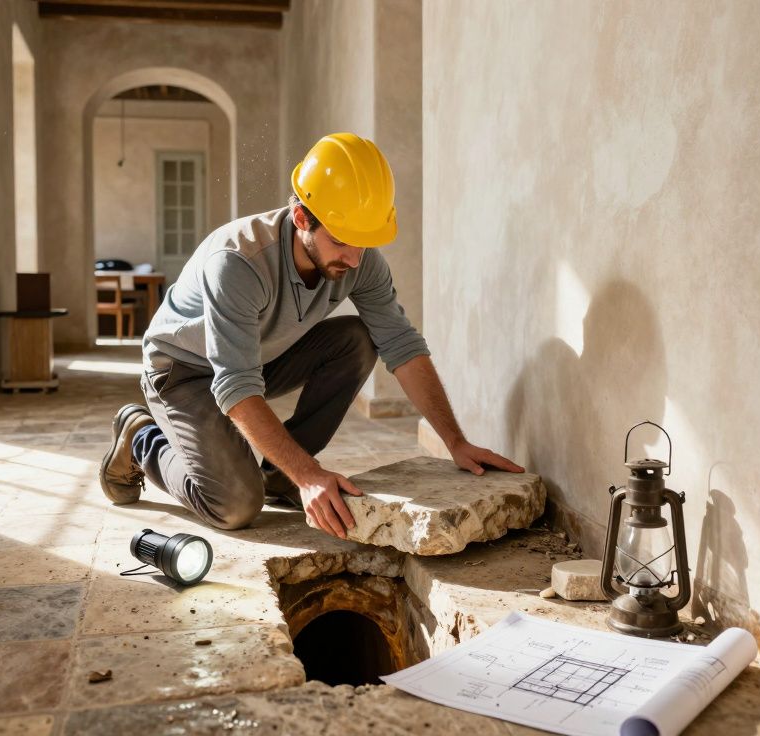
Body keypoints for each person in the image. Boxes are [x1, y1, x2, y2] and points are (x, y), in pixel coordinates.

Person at [99, 133, 523, 539]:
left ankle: (278, 476)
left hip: (255, 358)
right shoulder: (238, 262)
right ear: (302, 218)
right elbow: (236, 386)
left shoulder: (359, 259)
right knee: (235, 506)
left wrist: (455, 442)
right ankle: (141, 438)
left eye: (363, 243)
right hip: (184, 371)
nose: (354, 259)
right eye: (341, 242)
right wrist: (308, 475)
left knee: (358, 339)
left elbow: (402, 346)